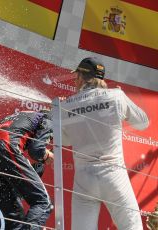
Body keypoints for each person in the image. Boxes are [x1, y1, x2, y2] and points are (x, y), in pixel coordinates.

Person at [61, 57, 149, 230]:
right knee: (132, 227)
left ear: (81, 77)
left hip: (83, 180)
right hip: (114, 175)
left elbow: (64, 140)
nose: (74, 80)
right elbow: (143, 122)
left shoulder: (65, 105)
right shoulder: (116, 96)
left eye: (76, 76)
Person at [0, 110, 54, 230]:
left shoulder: (23, 115)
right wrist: (46, 155)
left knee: (13, 215)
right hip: (6, 145)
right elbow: (36, 150)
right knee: (42, 202)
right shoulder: (50, 117)